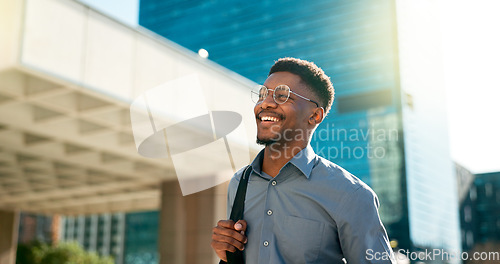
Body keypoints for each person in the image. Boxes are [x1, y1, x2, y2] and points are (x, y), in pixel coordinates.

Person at [211, 57, 395, 264]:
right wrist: (227, 254)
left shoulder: (352, 195)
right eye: (263, 94)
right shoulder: (239, 183)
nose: (266, 103)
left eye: (282, 95)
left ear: (315, 116)